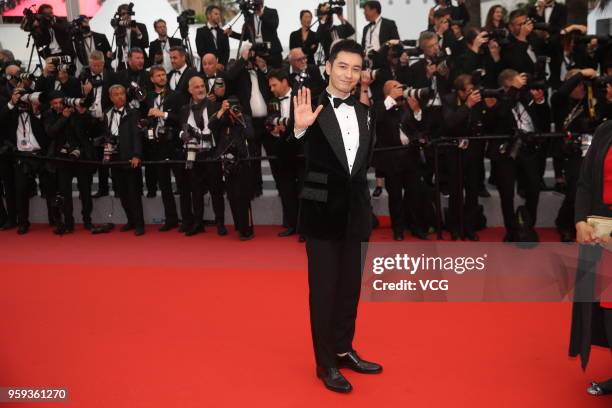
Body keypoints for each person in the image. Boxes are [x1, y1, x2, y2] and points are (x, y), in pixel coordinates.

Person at [292, 39, 382, 393]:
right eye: (342, 66)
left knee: (349, 290)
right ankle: (325, 361)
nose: (348, 74)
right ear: (328, 66)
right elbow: (289, 152)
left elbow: (360, 166)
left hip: (356, 213)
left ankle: (344, 349)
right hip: (320, 211)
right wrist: (299, 129)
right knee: (324, 292)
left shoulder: (365, 111)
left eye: (356, 68)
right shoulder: (308, 106)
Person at [569, 120, 612, 396]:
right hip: (600, 231)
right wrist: (580, 221)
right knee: (607, 306)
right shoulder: (605, 130)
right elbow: (585, 182)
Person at [104, 84, 144, 236]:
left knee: (134, 194)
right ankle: (131, 221)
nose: (120, 96)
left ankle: (139, 224)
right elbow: (107, 135)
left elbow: (137, 135)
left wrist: (137, 155)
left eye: (122, 93)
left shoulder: (133, 113)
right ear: (111, 97)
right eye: (116, 94)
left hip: (129, 157)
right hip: (114, 158)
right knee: (122, 193)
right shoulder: (107, 113)